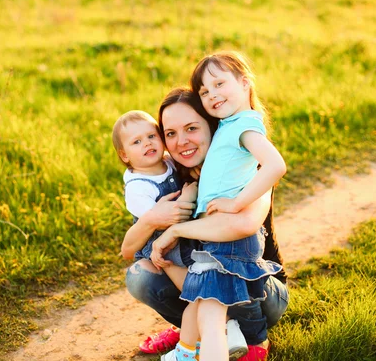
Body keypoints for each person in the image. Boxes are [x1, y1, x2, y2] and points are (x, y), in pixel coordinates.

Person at [122, 86, 289, 361]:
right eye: (171, 133)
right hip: (205, 284)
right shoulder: (166, 177)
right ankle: (194, 329)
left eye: (192, 128)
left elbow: (243, 226)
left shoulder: (248, 170)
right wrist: (153, 218)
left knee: (220, 267)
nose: (181, 142)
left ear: (212, 127)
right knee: (140, 275)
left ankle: (232, 333)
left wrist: (174, 229)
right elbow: (128, 250)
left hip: (261, 294)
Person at [112, 110, 198, 288]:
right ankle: (194, 300)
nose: (147, 143)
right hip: (164, 248)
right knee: (191, 287)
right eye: (137, 141)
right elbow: (161, 222)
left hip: (186, 236)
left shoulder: (169, 161)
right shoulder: (137, 186)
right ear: (124, 155)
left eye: (152, 136)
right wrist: (187, 198)